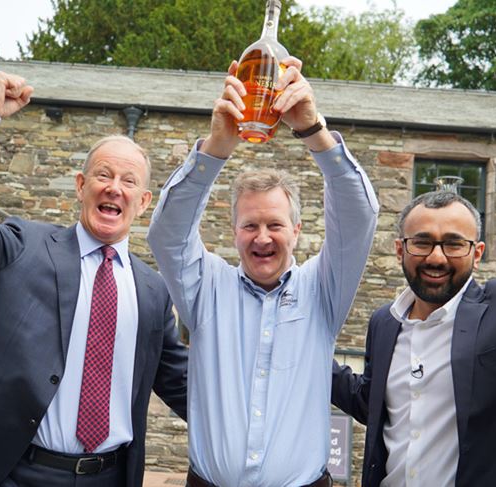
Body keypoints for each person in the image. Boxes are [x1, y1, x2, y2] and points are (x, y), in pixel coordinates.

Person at [0, 71, 188, 487]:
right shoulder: (22, 245)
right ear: (81, 186)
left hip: (108, 476)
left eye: (129, 181)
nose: (114, 188)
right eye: (103, 175)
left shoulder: (153, 292)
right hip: (4, 470)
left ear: (143, 201)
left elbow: (183, 385)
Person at [147, 58, 378, 487]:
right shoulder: (206, 288)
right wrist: (216, 147)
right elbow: (167, 234)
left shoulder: (322, 290)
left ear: (296, 230)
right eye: (250, 225)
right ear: (234, 231)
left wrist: (312, 129)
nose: (262, 238)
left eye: (275, 225)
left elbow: (358, 216)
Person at [332, 132, 496, 487]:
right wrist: (299, 346)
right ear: (400, 249)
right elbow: (377, 403)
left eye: (454, 244)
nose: (436, 257)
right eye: (422, 242)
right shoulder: (385, 323)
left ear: (477, 253)